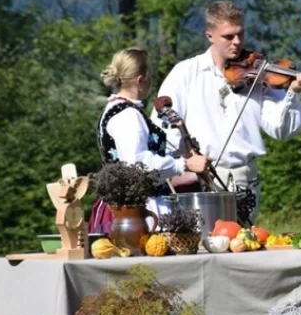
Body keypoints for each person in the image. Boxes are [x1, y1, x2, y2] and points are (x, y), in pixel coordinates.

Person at [154, 0, 301, 315]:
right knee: (184, 261)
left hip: (242, 177)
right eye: (228, 36)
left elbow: (282, 128)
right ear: (210, 34)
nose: (236, 42)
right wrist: (183, 158)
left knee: (231, 263)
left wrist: (293, 93)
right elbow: (159, 120)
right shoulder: (185, 73)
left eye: (240, 33)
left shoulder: (258, 73)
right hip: (196, 176)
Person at [89, 47, 210, 234]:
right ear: (140, 80)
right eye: (150, 76)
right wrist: (184, 164)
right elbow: (138, 165)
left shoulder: (118, 109)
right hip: (137, 212)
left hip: (131, 208)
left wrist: (179, 154)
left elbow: (137, 156)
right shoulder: (128, 115)